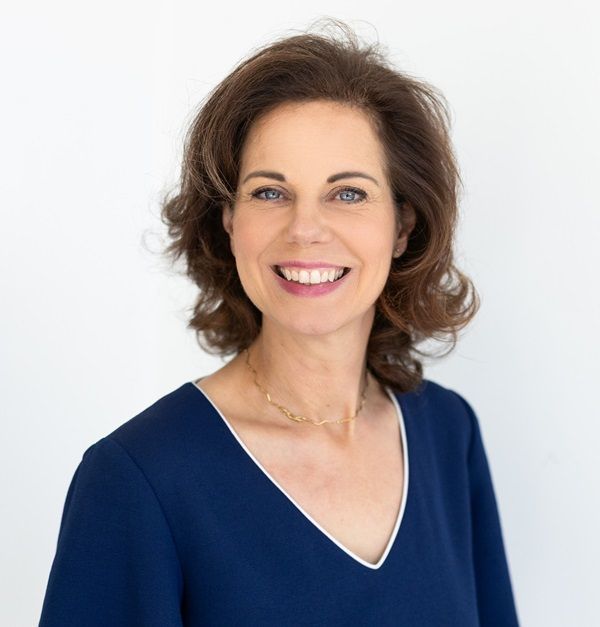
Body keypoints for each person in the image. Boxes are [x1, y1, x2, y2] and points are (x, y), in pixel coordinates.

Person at [38, 19, 520, 627]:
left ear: (402, 226)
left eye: (348, 193)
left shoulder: (448, 433)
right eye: (270, 193)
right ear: (228, 221)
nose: (305, 229)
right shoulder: (140, 477)